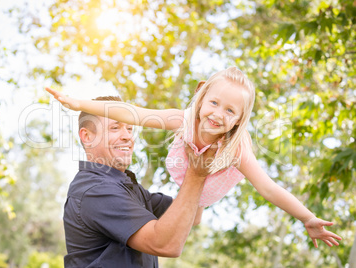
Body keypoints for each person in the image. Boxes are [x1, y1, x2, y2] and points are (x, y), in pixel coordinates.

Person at [47, 66, 342, 248]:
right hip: (187, 169)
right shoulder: (183, 119)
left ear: (239, 119)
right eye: (214, 102)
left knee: (196, 207)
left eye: (230, 111)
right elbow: (137, 113)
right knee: (189, 204)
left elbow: (268, 187)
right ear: (201, 98)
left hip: (211, 180)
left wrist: (307, 217)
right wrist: (79, 103)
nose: (217, 114)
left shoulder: (236, 147)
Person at [62, 95, 216, 267]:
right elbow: (166, 244)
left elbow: (192, 215)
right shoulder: (95, 191)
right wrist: (196, 174)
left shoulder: (129, 188)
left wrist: (202, 146)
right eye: (115, 127)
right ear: (87, 136)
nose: (127, 136)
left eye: (129, 128)